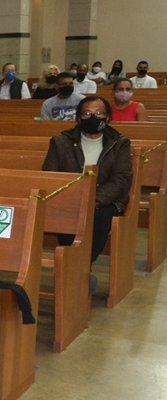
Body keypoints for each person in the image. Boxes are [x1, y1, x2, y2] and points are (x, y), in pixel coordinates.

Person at [42, 96, 132, 291]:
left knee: (97, 215)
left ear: (108, 117)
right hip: (70, 198)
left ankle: (80, 266)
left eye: (99, 113)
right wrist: (74, 198)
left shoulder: (119, 143)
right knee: (68, 212)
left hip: (105, 201)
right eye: (87, 114)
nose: (93, 118)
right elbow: (51, 175)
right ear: (78, 117)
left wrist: (94, 200)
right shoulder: (61, 142)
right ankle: (75, 268)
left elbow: (121, 180)